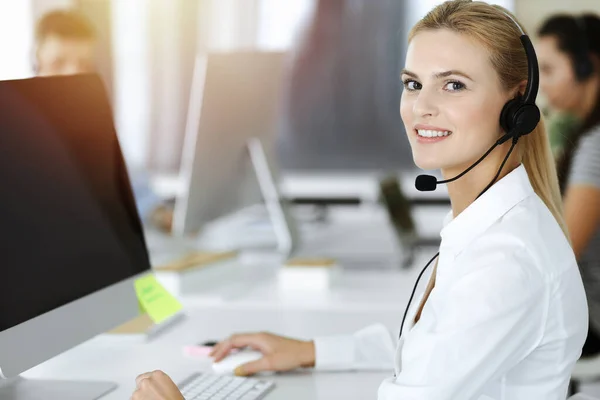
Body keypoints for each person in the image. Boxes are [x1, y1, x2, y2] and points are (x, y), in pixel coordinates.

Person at [130, 1, 588, 399]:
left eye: (453, 85)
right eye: (413, 83)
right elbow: (440, 343)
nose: (421, 106)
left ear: (516, 106)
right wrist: (311, 351)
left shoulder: (505, 261)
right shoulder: (493, 222)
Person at [34, 9, 173, 230]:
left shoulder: (96, 126)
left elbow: (140, 193)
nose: (72, 75)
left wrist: (166, 218)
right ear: (36, 63)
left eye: (83, 64)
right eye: (58, 63)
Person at [537, 14, 600, 359]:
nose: (542, 84)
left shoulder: (596, 145)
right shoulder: (586, 138)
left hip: (591, 316)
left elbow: (563, 252)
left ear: (586, 67)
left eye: (548, 70)